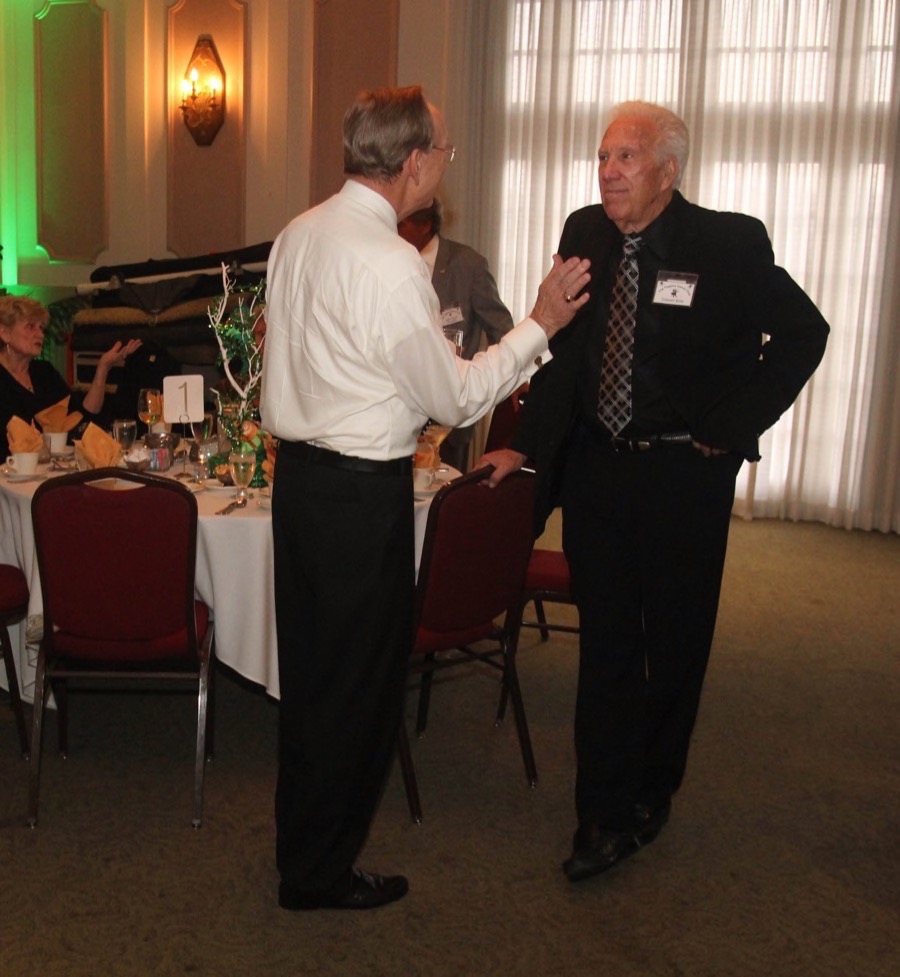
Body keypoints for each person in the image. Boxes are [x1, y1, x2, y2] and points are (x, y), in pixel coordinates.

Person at [260, 85, 590, 912]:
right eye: (442, 149)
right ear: (412, 162)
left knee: (313, 680)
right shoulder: (390, 263)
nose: (447, 163)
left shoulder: (299, 231)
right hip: (356, 497)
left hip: (297, 484)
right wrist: (540, 324)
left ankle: (302, 851)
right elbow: (456, 398)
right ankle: (319, 872)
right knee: (361, 692)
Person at [481, 101, 829, 884]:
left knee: (672, 643)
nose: (608, 171)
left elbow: (805, 333)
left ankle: (653, 789)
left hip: (683, 476)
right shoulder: (584, 233)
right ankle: (599, 812)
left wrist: (734, 423)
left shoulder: (728, 243)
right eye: (604, 156)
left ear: (668, 171)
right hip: (599, 472)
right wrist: (526, 446)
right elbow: (567, 357)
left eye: (627, 158)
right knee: (606, 642)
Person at [398, 199, 514, 471]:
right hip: (401, 411)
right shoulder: (393, 261)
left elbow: (501, 328)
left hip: (449, 419)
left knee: (444, 502)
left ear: (425, 225)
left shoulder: (468, 265)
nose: (393, 229)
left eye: (401, 223)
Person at [0, 295, 141, 455]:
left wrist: (103, 368)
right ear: (4, 332)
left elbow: (81, 419)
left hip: (49, 470)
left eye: (41, 328)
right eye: (31, 326)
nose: (40, 335)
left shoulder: (44, 372)